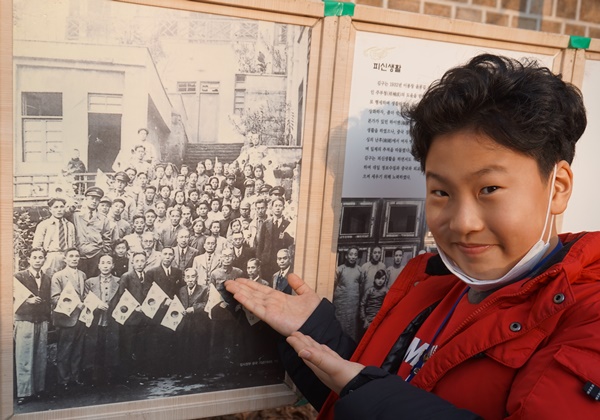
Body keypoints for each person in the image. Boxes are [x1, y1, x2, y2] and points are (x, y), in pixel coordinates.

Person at [225, 54, 599, 419]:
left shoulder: (587, 318)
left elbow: (371, 394)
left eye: (489, 189)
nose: (463, 222)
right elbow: (371, 391)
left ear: (558, 186)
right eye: (441, 193)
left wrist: (363, 389)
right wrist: (316, 330)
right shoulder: (429, 283)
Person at [13, 248, 52, 405]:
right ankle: (24, 392)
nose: (37, 260)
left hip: (41, 320)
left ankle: (38, 389)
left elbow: (48, 300)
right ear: (28, 259)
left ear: (44, 260)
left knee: (40, 355)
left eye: (40, 257)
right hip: (24, 320)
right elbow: (9, 296)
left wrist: (47, 318)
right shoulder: (18, 277)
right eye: (34, 257)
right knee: (24, 356)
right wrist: (26, 301)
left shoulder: (47, 278)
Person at [51, 247, 87, 391]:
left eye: (77, 256)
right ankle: (63, 380)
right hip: (67, 318)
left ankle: (75, 378)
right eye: (71, 256)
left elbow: (85, 294)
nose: (74, 258)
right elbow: (55, 298)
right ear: (65, 259)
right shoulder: (58, 276)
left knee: (78, 350)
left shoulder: (83, 275)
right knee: (65, 350)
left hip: (81, 318)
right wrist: (75, 304)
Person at [82, 254, 121, 385]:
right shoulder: (90, 282)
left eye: (108, 263)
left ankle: (110, 376)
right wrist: (97, 304)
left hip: (112, 320)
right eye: (102, 263)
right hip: (95, 319)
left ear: (113, 265)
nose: (105, 266)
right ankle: (95, 377)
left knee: (110, 346)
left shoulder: (119, 281)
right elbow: (85, 299)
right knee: (95, 347)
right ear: (98, 265)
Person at [72, 186, 113, 278]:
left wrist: (103, 252)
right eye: (92, 198)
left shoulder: (103, 219)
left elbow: (107, 238)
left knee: (94, 283)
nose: (94, 201)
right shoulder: (76, 215)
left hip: (96, 255)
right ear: (85, 199)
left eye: (97, 199)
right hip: (79, 255)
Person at [32, 197, 76, 279]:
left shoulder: (70, 225)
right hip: (51, 257)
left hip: (67, 257)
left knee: (66, 282)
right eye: (56, 207)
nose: (59, 210)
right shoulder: (44, 225)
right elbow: (37, 246)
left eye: (61, 207)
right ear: (50, 210)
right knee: (49, 281)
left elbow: (73, 244)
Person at [332, 247, 363, 342]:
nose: (353, 257)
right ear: (346, 256)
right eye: (351, 254)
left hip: (353, 305)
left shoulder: (359, 270)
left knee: (352, 328)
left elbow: (361, 286)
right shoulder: (340, 269)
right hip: (341, 305)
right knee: (340, 327)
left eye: (355, 255)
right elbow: (333, 285)